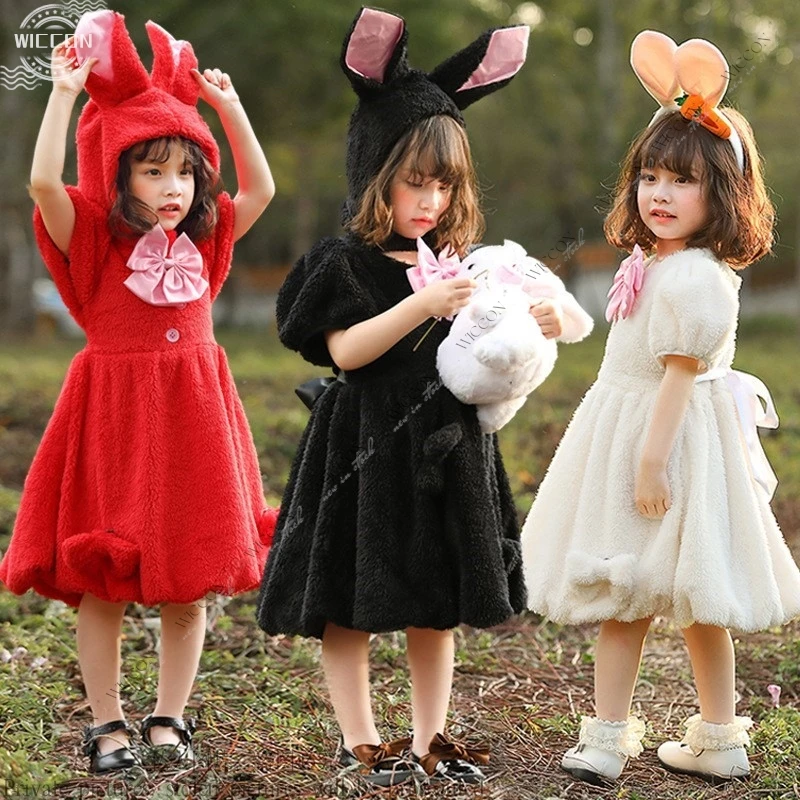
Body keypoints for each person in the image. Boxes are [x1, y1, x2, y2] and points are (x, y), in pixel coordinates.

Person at [257, 6, 589, 788]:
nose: (432, 200)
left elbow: (502, 332)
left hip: (445, 444)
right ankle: (360, 740)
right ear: (373, 168)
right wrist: (416, 307)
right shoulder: (341, 262)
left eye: (446, 184)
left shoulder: (461, 257)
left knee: (435, 602)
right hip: (364, 440)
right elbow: (345, 352)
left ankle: (430, 738)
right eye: (416, 181)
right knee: (349, 598)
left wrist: (538, 318)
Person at [520, 30, 800, 786]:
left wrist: (649, 460)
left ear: (722, 194)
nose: (660, 194)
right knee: (644, 593)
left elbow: (680, 374)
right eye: (650, 176)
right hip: (641, 427)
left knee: (663, 595)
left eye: (682, 181)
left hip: (668, 443)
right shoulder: (655, 261)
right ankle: (662, 736)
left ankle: (674, 736)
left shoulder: (698, 278)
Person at [0, 10, 277, 774]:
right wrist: (63, 94)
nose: (172, 187)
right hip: (113, 420)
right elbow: (37, 182)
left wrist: (230, 110)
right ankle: (107, 722)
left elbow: (262, 188)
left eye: (184, 170)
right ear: (118, 173)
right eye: (151, 170)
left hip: (192, 416)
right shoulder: (90, 237)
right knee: (106, 579)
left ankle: (170, 716)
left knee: (189, 583)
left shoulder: (207, 236)